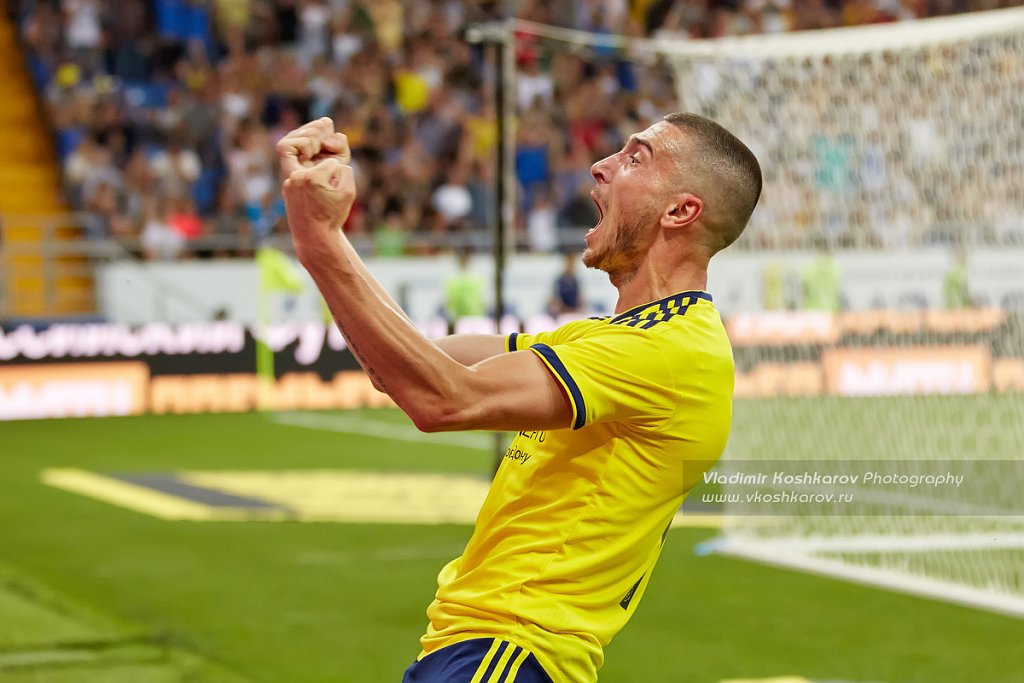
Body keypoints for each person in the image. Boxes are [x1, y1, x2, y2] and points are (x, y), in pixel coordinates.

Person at [276, 113, 762, 683]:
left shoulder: (670, 352)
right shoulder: (608, 338)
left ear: (681, 211)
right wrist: (326, 238)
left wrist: (320, 243)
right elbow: (406, 363)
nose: (599, 167)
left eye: (635, 158)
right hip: (485, 654)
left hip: (510, 652)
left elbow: (441, 400)